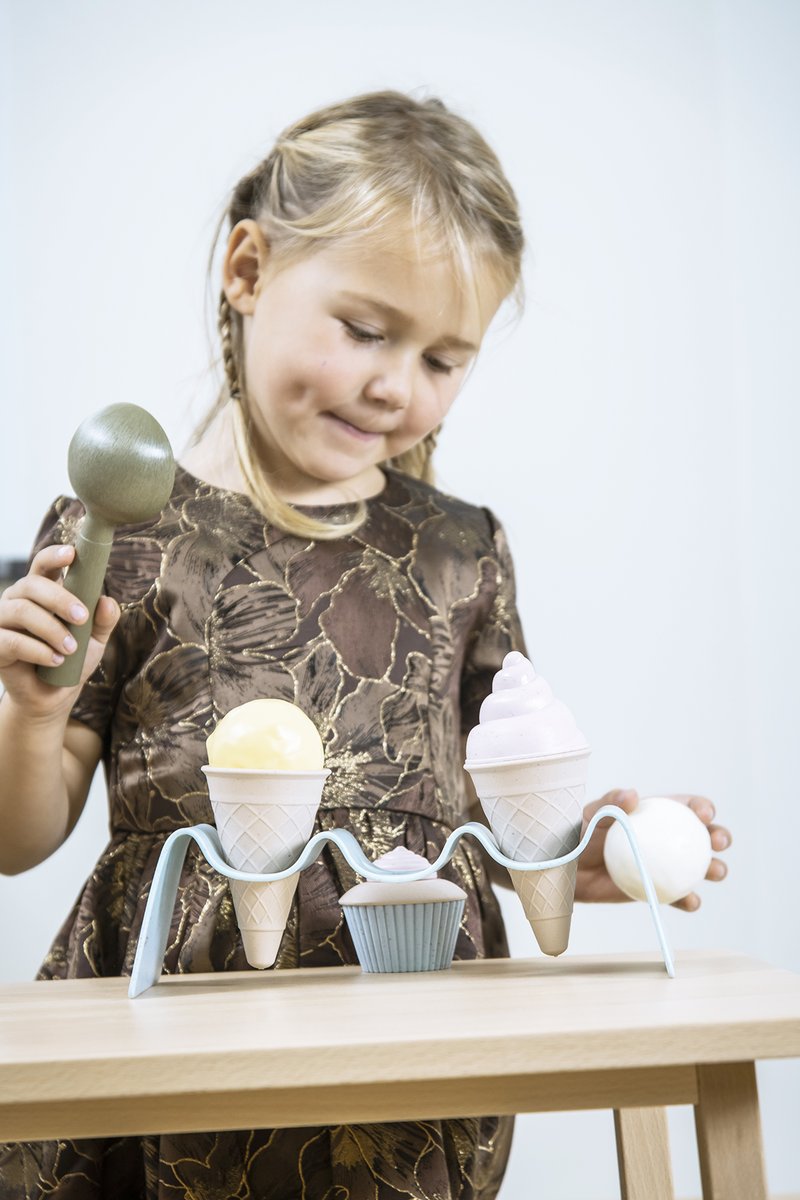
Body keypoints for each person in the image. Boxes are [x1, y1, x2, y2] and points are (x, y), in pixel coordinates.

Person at [0, 90, 729, 1199]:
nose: (398, 386)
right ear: (247, 271)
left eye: (444, 359)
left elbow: (483, 812)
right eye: (364, 330)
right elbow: (20, 835)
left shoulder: (459, 552)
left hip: (406, 1037)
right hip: (173, 1058)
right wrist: (33, 713)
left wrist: (570, 856)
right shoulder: (124, 536)